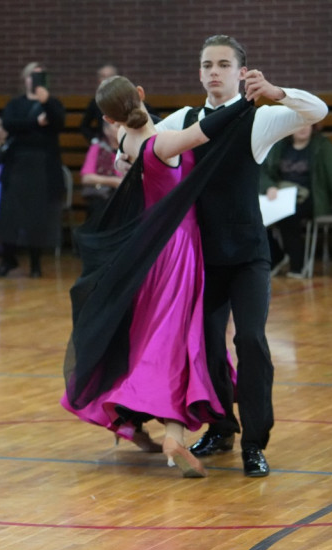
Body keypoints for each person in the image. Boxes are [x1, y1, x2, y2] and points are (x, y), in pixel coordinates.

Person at [62, 76, 258, 478]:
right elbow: (207, 129)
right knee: (179, 339)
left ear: (108, 118)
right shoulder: (162, 144)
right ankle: (174, 435)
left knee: (146, 334)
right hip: (178, 249)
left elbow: (123, 163)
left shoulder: (125, 142)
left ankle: (131, 422)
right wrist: (245, 103)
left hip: (146, 250)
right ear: (142, 93)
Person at [154, 35, 328, 476]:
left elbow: (318, 111)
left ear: (240, 72)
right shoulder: (185, 119)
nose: (214, 71)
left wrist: (278, 93)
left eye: (223, 64)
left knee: (250, 340)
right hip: (202, 254)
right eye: (207, 64)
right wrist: (125, 144)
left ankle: (254, 441)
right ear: (199, 72)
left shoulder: (259, 118)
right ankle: (220, 428)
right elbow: (142, 148)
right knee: (207, 343)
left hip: (249, 252)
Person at [0, 62, 65, 278]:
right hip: (16, 167)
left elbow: (59, 123)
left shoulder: (53, 103)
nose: (35, 81)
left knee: (38, 216)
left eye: (41, 77)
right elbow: (8, 123)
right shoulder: (15, 104)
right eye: (32, 76)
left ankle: (35, 264)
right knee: (10, 215)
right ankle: (8, 259)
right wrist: (35, 122)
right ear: (25, 79)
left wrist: (46, 103)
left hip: (43, 169)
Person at [260, 124, 332, 278]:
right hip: (281, 197)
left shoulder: (321, 146)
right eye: (298, 124)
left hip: (313, 199)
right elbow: (263, 173)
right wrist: (269, 187)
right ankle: (277, 256)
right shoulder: (279, 146)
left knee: (288, 215)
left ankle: (298, 265)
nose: (303, 128)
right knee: (256, 216)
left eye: (307, 124)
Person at [79, 117, 124, 226]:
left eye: (124, 127)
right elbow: (86, 178)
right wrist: (114, 181)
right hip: (104, 198)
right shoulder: (97, 148)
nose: (122, 130)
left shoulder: (130, 149)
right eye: (118, 126)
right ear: (106, 130)